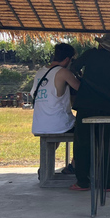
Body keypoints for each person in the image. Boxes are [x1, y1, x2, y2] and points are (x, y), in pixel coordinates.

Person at [68, 33, 110, 191]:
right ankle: (106, 183)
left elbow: (73, 68)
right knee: (106, 145)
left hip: (86, 105)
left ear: (100, 44)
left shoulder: (91, 54)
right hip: (106, 107)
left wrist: (82, 79)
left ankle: (83, 182)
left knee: (82, 144)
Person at [30, 43, 80, 173]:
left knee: (56, 131)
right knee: (85, 130)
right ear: (68, 60)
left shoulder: (40, 72)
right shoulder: (63, 72)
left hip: (39, 123)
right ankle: (74, 165)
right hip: (59, 123)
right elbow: (81, 88)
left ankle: (45, 165)